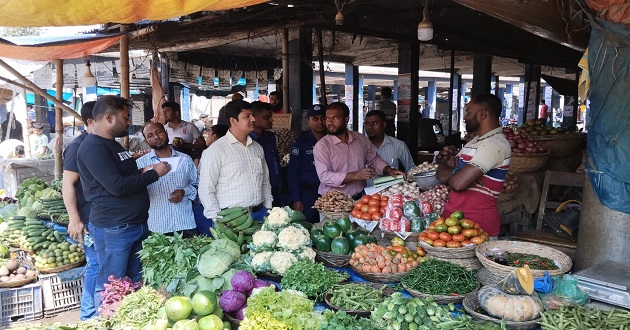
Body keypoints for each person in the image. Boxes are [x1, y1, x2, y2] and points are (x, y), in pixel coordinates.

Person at [76, 95, 170, 310]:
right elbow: (116, 186)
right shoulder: (94, 148)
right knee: (112, 284)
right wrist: (153, 174)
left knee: (133, 279)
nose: (129, 122)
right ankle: (106, 320)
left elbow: (119, 177)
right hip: (114, 228)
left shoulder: (112, 145)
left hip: (132, 224)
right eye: (126, 117)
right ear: (109, 117)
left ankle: (129, 319)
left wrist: (141, 171)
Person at [436, 94, 511, 237]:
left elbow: (458, 183)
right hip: (453, 224)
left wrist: (455, 173)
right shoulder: (474, 142)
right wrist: (458, 172)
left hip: (477, 228)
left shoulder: (494, 145)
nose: (464, 117)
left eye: (468, 112)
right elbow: (440, 172)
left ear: (482, 114)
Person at [198, 99, 272, 221]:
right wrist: (217, 220)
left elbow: (265, 182)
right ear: (233, 121)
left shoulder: (257, 148)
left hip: (260, 214)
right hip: (231, 219)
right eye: (247, 116)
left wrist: (268, 209)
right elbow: (206, 189)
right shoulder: (216, 150)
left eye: (252, 115)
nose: (253, 119)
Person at [313, 102, 406, 198]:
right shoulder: (322, 146)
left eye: (335, 118)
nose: (329, 122)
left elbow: (373, 159)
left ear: (346, 120)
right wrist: (355, 175)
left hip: (360, 198)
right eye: (327, 118)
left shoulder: (360, 139)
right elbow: (325, 176)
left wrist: (389, 170)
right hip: (333, 202)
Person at [61, 101, 98, 320]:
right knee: (95, 264)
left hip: (97, 215)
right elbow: (68, 184)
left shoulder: (95, 142)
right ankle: (88, 315)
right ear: (92, 121)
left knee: (98, 264)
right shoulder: (78, 146)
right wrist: (74, 218)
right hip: (88, 216)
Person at [136, 123, 199, 237]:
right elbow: (134, 191)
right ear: (146, 141)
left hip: (185, 223)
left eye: (159, 132)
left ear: (166, 132)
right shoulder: (141, 164)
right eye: (150, 135)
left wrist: (184, 191)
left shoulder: (185, 160)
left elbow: (196, 185)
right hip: (157, 226)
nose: (156, 137)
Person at [288, 104, 326, 223]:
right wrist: (296, 199)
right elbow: (293, 172)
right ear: (308, 121)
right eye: (315, 119)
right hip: (307, 195)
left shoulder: (333, 141)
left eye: (323, 118)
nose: (320, 122)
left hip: (329, 194)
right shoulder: (300, 143)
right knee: (307, 228)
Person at [249, 101, 282, 206]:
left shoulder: (271, 138)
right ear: (253, 117)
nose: (271, 120)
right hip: (257, 193)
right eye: (266, 117)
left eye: (271, 116)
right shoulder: (247, 140)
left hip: (275, 189)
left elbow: (276, 161)